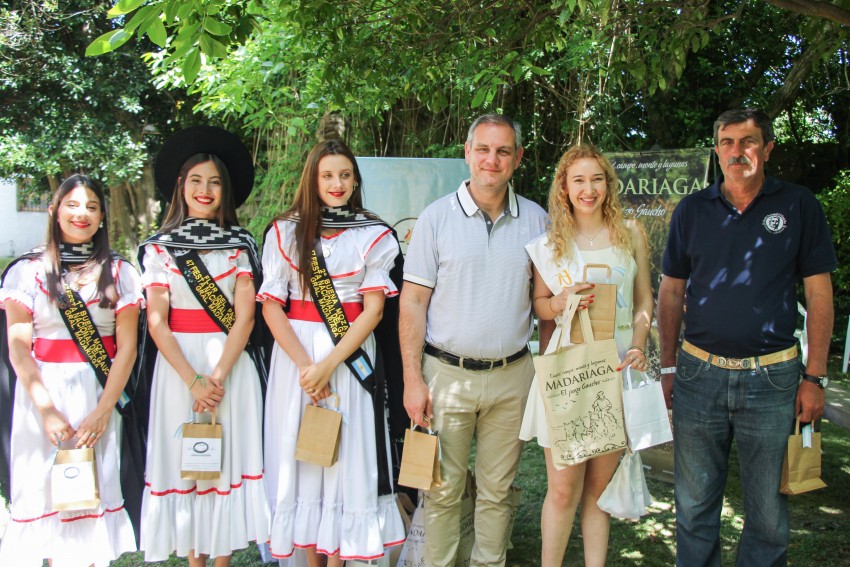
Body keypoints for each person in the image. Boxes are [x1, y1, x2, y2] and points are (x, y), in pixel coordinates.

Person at [657, 108, 836, 566]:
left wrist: (814, 377)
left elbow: (819, 296)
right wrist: (670, 367)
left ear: (768, 147)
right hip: (699, 375)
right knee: (695, 509)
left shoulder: (798, 206)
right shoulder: (693, 211)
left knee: (767, 515)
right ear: (716, 151)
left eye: (748, 141)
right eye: (728, 143)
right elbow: (672, 292)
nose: (737, 152)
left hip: (773, 380)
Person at [400, 114, 549, 566]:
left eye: (503, 151)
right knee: (441, 492)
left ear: (518, 158)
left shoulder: (537, 220)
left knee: (497, 492)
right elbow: (412, 304)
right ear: (467, 153)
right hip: (445, 375)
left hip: (511, 377)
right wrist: (412, 379)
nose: (492, 159)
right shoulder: (435, 218)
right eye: (483, 149)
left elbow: (544, 302)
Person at [259, 139, 405, 565]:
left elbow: (374, 310)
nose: (337, 183)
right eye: (327, 175)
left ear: (355, 179)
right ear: (313, 179)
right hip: (296, 360)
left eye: (344, 175)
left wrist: (327, 365)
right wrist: (308, 368)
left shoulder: (373, 234)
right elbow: (272, 305)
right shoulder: (285, 231)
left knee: (344, 464)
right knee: (300, 463)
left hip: (349, 356)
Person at [138, 126, 270, 566]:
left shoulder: (242, 243)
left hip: (229, 368)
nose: (205, 190)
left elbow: (246, 316)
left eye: (214, 182)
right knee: (190, 467)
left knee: (224, 465)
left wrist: (215, 377)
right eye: (196, 180)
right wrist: (194, 379)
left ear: (225, 189)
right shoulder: (159, 248)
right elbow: (157, 321)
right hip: (179, 371)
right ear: (181, 186)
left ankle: (221, 561)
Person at [518, 145, 653, 566]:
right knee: (562, 490)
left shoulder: (631, 234)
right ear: (564, 187)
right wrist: (559, 302)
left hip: (614, 370)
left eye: (596, 179)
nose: (588, 189)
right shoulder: (548, 243)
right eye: (578, 180)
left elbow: (644, 301)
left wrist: (639, 344)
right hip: (568, 374)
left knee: (599, 491)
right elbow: (539, 304)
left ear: (607, 184)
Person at [0, 174, 142, 566]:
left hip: (99, 393)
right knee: (47, 502)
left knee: (91, 503)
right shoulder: (27, 271)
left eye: (92, 207)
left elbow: (126, 348)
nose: (82, 213)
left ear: (102, 218)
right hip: (42, 398)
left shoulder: (120, 273)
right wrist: (45, 410)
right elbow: (18, 347)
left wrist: (102, 411)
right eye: (73, 204)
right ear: (54, 210)